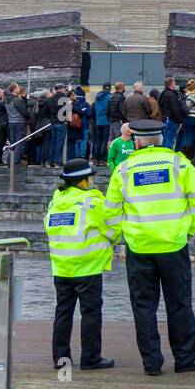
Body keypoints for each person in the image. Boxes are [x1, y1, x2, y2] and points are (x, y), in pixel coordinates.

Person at [105, 118, 195, 375]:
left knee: (143, 306)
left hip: (139, 247)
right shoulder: (179, 163)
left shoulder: (124, 169)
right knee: (179, 303)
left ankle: (151, 363)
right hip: (173, 245)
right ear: (163, 140)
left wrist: (125, 233)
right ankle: (185, 359)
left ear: (137, 142)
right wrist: (189, 230)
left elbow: (110, 212)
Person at [45, 157, 116, 371]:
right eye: (89, 178)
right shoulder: (93, 202)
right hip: (87, 267)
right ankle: (91, 358)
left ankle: (60, 358)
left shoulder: (55, 202)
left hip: (61, 267)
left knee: (63, 312)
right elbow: (113, 228)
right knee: (91, 313)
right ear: (83, 181)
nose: (92, 182)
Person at [158, 77, 185, 150]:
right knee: (170, 141)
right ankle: (167, 157)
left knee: (165, 140)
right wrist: (180, 120)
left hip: (164, 119)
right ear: (171, 83)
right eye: (174, 82)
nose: (175, 84)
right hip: (172, 120)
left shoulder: (163, 94)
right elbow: (175, 109)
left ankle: (163, 157)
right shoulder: (172, 95)